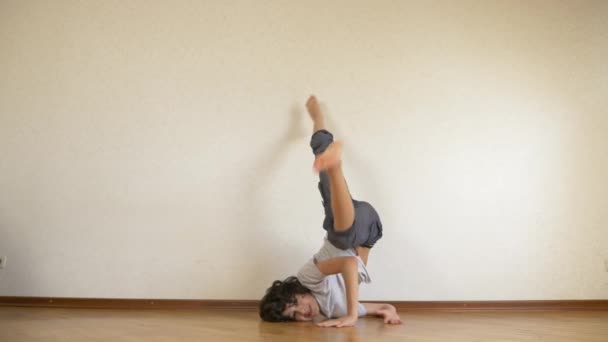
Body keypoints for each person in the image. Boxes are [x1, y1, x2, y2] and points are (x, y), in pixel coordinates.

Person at [259, 95, 402, 327]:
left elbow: (350, 264)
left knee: (324, 170)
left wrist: (352, 316)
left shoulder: (307, 277)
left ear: (299, 289)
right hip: (366, 232)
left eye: (295, 302)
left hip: (348, 227)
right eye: (293, 315)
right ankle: (333, 165)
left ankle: (318, 119)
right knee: (342, 227)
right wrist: (390, 312)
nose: (301, 311)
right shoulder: (336, 310)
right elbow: (382, 307)